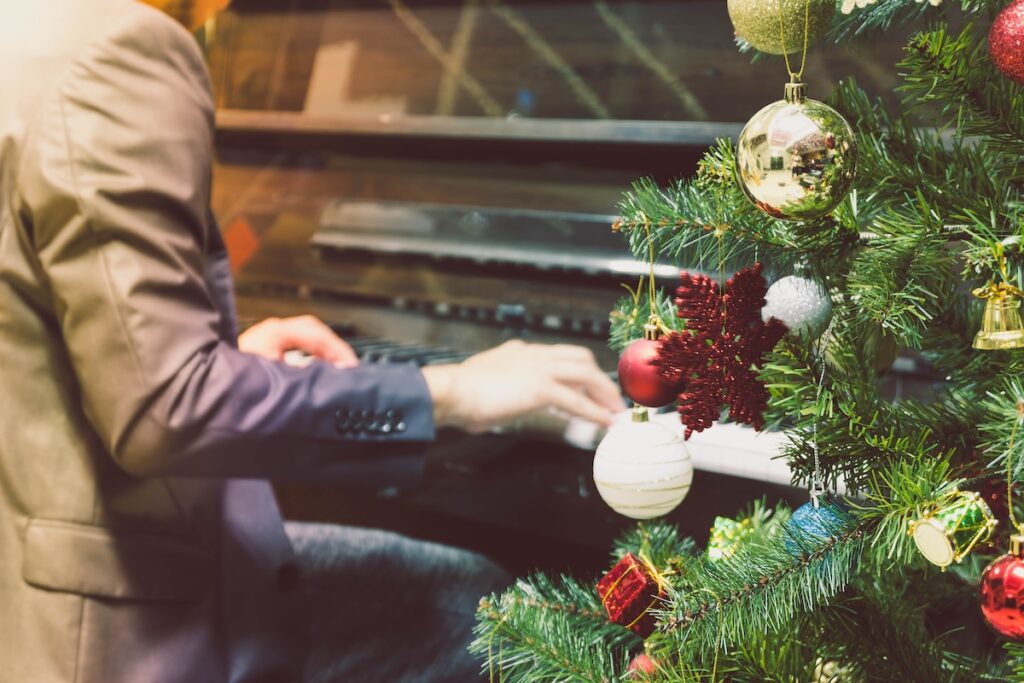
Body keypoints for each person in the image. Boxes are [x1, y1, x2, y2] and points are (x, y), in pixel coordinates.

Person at [0, 1, 624, 682]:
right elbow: (166, 408)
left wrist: (218, 354)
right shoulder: (118, 49)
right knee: (475, 600)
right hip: (90, 631)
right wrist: (450, 388)